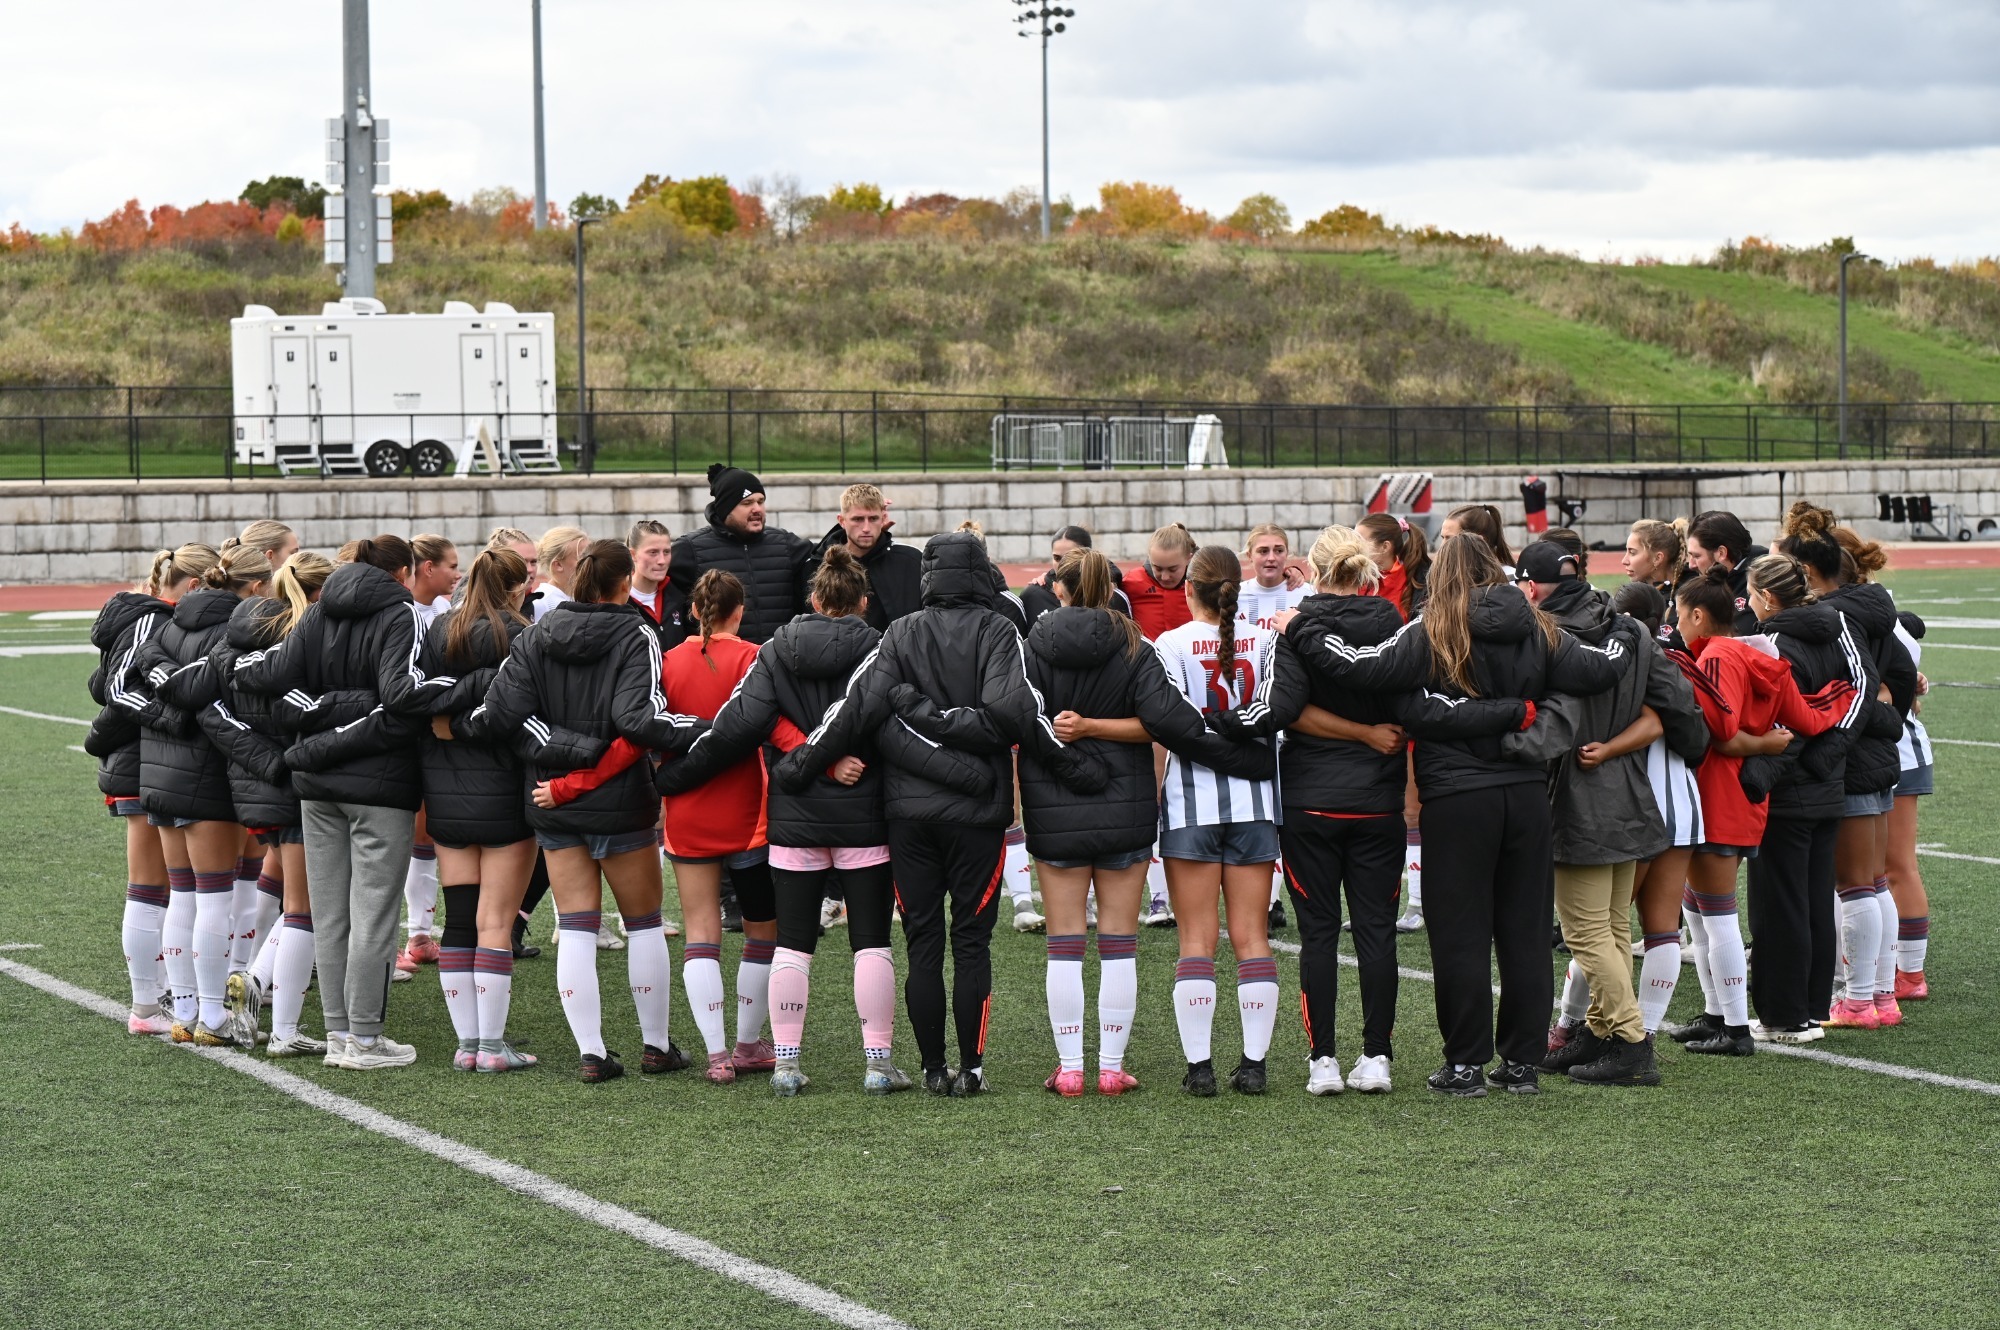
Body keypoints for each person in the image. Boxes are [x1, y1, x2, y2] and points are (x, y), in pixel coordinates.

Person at [907, 548, 1273, 1096]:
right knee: (1120, 943)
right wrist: (1244, 759)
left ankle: (1072, 1067)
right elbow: (1164, 723)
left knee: (1065, 943)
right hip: (1124, 807)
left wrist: (1069, 749)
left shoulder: (1029, 644)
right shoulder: (1135, 645)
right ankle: (1110, 1068)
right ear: (1111, 591)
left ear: (1058, 590)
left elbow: (1017, 717)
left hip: (1055, 808)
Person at [1284, 533, 1630, 1097]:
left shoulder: (1433, 628)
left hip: (1456, 798)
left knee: (1461, 935)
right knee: (1524, 933)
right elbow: (1602, 668)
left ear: (1444, 573)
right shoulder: (1540, 627)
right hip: (1524, 796)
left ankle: (1465, 1064)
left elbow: (1361, 668)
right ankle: (1520, 1063)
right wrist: (1621, 626)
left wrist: (1299, 625)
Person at [772, 532, 1109, 1097]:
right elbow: (1013, 713)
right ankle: (970, 1069)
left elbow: (858, 710)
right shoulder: (999, 630)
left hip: (910, 815)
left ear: (929, 576)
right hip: (977, 815)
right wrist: (1078, 770)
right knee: (972, 940)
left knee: (923, 940)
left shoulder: (901, 632)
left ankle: (932, 1068)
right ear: (981, 574)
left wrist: (802, 764)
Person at [653, 546, 977, 1096]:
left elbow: (738, 726)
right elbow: (894, 727)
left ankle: (785, 1063)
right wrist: (965, 776)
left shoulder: (775, 650)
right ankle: (877, 1064)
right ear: (863, 602)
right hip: (864, 818)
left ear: (814, 597)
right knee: (871, 942)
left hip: (795, 817)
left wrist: (672, 779)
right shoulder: (881, 647)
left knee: (793, 944)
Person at [1217, 527, 1519, 1095]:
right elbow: (1404, 708)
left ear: (1313, 566)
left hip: (1311, 803)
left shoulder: (1297, 627)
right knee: (1376, 932)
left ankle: (1322, 1061)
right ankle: (1376, 1057)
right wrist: (1366, 734)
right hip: (1377, 805)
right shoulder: (1394, 623)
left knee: (1319, 935)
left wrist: (1212, 726)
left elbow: (1283, 710)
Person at [447, 539, 706, 1081]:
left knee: (577, 926)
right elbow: (639, 719)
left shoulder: (536, 632)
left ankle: (592, 1053)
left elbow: (502, 714)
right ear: (622, 581)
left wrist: (562, 759)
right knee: (644, 925)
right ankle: (655, 1046)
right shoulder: (637, 631)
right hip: (619, 800)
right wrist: (712, 733)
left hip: (551, 797)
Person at [231, 535, 458, 1071]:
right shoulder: (401, 613)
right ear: (403, 573)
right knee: (373, 916)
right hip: (379, 786)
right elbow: (398, 699)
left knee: (327, 914)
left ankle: (337, 1034)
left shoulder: (317, 610)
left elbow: (281, 689)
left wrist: (322, 724)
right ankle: (366, 1038)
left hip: (317, 783)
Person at [1515, 541, 1704, 1087]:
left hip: (1578, 793)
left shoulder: (1547, 633)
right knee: (1613, 926)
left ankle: (1629, 1039)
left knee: (1586, 931)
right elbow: (1677, 703)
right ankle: (1599, 1029)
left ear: (1532, 586)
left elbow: (1552, 722)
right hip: (1627, 787)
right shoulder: (1631, 628)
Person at [1661, 565, 1857, 1057]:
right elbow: (1809, 718)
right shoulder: (1760, 654)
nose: (1678, 626)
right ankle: (1715, 1015)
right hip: (1738, 796)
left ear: (1700, 616)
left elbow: (1721, 733)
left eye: (1681, 616)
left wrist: (1762, 745)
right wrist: (1844, 695)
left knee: (1715, 912)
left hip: (1717, 794)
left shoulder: (1718, 658)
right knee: (1699, 911)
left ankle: (1733, 1027)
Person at [1149, 545, 1285, 1095]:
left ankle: (1199, 1069)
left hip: (1190, 807)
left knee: (1196, 940)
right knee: (1253, 938)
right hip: (1257, 805)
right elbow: (1278, 714)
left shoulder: (1170, 643)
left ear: (1189, 588)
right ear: (1239, 585)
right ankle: (1253, 1066)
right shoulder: (1268, 639)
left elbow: (1176, 725)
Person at [1776, 502, 1914, 1031]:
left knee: (1856, 884)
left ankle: (1859, 998)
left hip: (1852, 760)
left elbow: (1870, 694)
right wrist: (1885, 715)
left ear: (1808, 574)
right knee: (1873, 883)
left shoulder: (1838, 618)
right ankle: (1879, 993)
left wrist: (1839, 739)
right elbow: (1898, 682)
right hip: (1878, 757)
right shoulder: (1875, 607)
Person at [419, 548, 554, 1073]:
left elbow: (423, 701)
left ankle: (467, 1043)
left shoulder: (440, 631)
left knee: (459, 922)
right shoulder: (522, 635)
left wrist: (451, 727)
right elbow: (519, 715)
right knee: (495, 923)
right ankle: (492, 1047)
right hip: (501, 789)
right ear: (519, 586)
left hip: (446, 789)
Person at [133, 543, 272, 1046]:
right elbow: (210, 700)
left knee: (183, 896)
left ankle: (186, 1011)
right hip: (206, 777)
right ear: (253, 587)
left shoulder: (166, 625)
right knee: (214, 897)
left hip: (161, 778)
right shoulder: (233, 631)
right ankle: (213, 1017)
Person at [204, 551, 335, 1056]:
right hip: (294, 782)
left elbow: (216, 710)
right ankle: (276, 1015)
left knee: (278, 881)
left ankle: (250, 972)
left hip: (252, 786)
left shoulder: (237, 637)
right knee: (306, 908)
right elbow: (305, 713)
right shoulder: (302, 641)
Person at [1737, 552, 1869, 1043]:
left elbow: (1776, 720)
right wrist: (1826, 756)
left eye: (1751, 594)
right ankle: (1811, 1009)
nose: (1748, 603)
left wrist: (1759, 770)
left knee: (1779, 904)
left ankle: (1785, 1014)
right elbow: (1856, 693)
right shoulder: (1835, 630)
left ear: (1769, 598)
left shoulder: (1769, 643)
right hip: (1827, 785)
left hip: (1787, 788)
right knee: (1814, 899)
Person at [84, 550, 181, 1035]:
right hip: (143, 763)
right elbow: (115, 689)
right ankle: (148, 1004)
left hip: (144, 762)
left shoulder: (146, 618)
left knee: (161, 886)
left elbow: (101, 683)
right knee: (151, 885)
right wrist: (170, 719)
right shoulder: (150, 621)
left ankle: (161, 995)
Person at [1355, 512, 1431, 932]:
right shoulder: (1367, 578)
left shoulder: (1418, 584)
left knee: (1412, 809)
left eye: (1361, 539)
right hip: (1376, 710)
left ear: (1386, 548)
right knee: (1388, 808)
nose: (1354, 546)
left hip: (1410, 708)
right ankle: (1398, 901)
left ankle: (1418, 901)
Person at [395, 534, 463, 980]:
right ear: (426, 569)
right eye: (452, 566)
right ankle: (391, 941)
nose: (458, 574)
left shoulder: (445, 613)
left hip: (439, 738)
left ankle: (419, 934)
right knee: (393, 839)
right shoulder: (399, 615)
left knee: (426, 837)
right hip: (403, 738)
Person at [670, 463, 813, 646]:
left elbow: (829, 557)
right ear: (725, 509)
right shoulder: (690, 549)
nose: (757, 509)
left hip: (777, 666)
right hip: (720, 667)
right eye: (747, 503)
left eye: (760, 502)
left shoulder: (785, 543)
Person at [1887, 611, 1934, 1001]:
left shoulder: (1873, 611)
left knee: (1896, 866)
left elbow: (1905, 671)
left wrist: (1909, 684)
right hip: (1877, 753)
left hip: (1897, 754)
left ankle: (1911, 974)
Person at [810, 483, 922, 631]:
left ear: (883, 519)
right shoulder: (818, 565)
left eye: (873, 519)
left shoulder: (911, 561)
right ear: (842, 521)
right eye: (858, 519)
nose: (866, 528)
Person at [1019, 525, 1130, 628]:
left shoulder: (1113, 596)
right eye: (1057, 558)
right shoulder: (1032, 595)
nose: (1062, 564)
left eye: (1070, 557)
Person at [1122, 523, 1198, 642]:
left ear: (1189, 558)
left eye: (1173, 569)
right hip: (1147, 658)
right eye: (1157, 568)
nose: (1165, 577)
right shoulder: (1132, 582)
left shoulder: (1202, 584)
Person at [628, 519, 691, 651]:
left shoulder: (678, 595)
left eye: (666, 552)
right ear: (632, 554)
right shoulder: (618, 601)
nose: (662, 561)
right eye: (653, 552)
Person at [532, 526, 590, 623]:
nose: (591, 562)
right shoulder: (542, 603)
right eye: (583, 557)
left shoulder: (580, 597)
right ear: (558, 565)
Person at [1438, 504, 1514, 577]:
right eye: (1443, 538)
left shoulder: (1512, 581)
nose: (1442, 546)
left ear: (1478, 541)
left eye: (1449, 538)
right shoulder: (1443, 578)